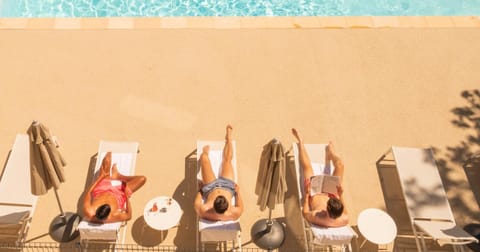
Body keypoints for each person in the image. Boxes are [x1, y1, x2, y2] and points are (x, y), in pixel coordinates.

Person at [292, 128, 349, 227]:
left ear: (327, 209)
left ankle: (300, 141)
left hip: (315, 192)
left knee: (307, 167)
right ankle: (331, 154)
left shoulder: (318, 217)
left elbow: (305, 213)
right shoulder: (344, 219)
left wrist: (306, 194)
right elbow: (345, 213)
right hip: (332, 193)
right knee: (340, 165)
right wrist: (340, 195)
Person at [194, 125, 244, 221]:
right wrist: (238, 193)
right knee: (227, 160)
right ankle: (228, 139)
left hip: (210, 188)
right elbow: (239, 205)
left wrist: (200, 191)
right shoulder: (235, 213)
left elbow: (197, 204)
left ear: (213, 206)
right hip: (228, 186)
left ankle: (205, 152)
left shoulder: (205, 211)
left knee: (204, 158)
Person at [83, 152, 146, 223]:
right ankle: (118, 176)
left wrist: (100, 177)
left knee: (107, 159)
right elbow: (129, 216)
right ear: (108, 214)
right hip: (119, 195)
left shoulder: (89, 211)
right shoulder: (113, 216)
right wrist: (127, 197)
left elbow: (88, 192)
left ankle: (116, 176)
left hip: (101, 190)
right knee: (142, 179)